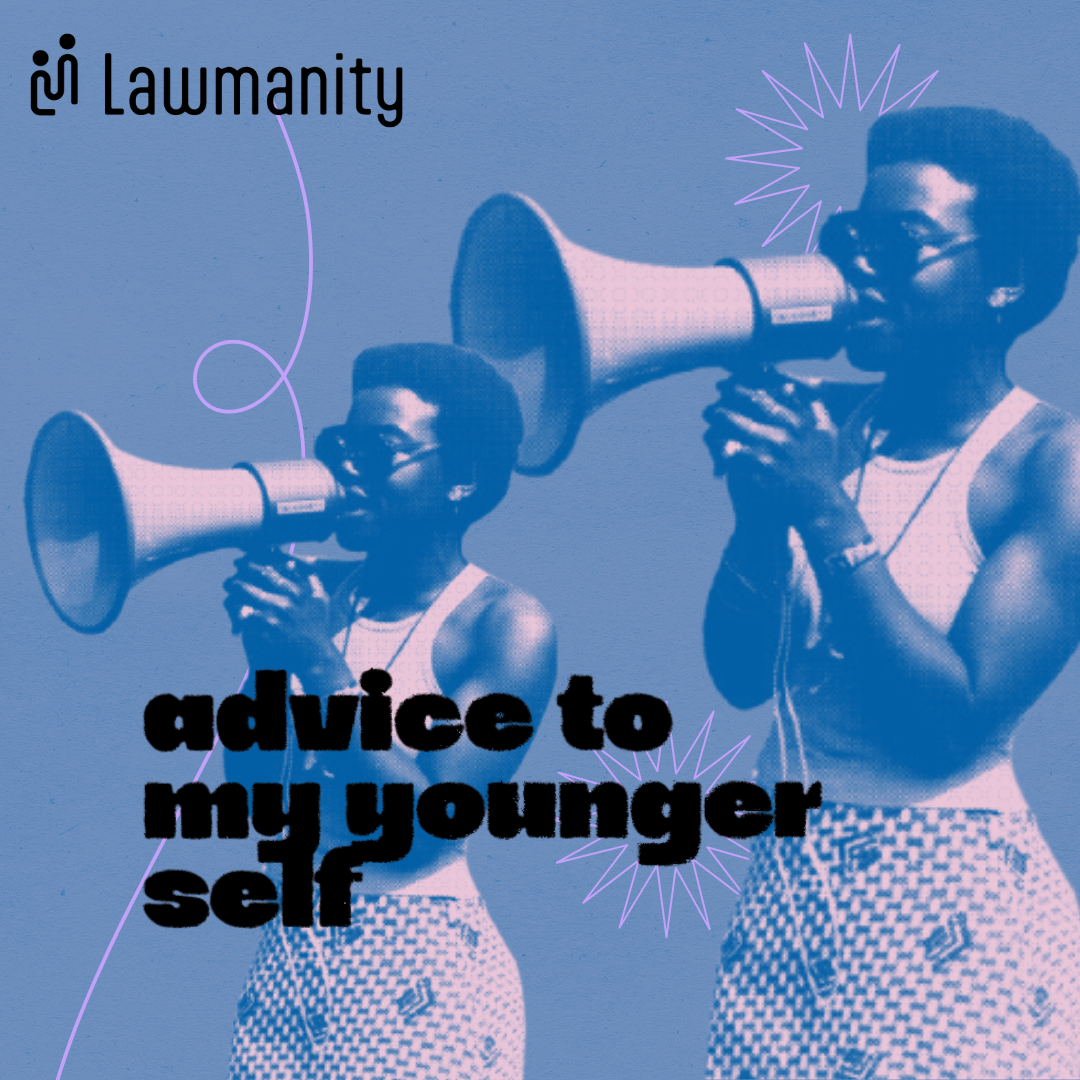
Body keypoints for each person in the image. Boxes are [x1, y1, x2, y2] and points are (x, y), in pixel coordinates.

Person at [702, 108, 1080, 1079]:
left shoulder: (1050, 465)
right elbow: (742, 675)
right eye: (853, 237)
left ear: (1008, 284)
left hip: (952, 910)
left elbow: (952, 718)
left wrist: (823, 512)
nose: (861, 265)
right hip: (789, 891)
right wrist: (756, 520)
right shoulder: (826, 426)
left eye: (902, 244)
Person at [222, 343, 557, 1079]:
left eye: (381, 450)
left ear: (462, 479)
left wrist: (319, 665)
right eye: (341, 447)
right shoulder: (321, 602)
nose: (347, 471)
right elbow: (256, 803)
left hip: (423, 960)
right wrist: (267, 666)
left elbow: (426, 825)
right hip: (294, 948)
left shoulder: (503, 623)